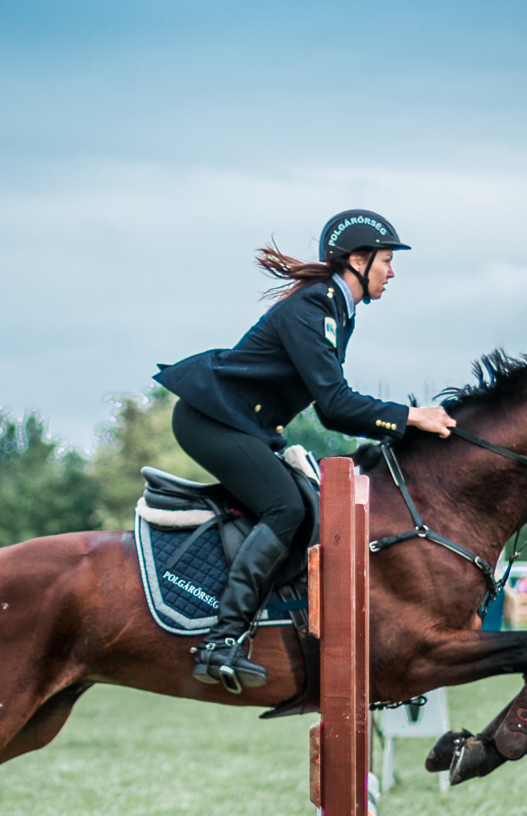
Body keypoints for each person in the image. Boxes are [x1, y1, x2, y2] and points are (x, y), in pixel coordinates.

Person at [155, 209, 456, 691]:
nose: (392, 271)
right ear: (358, 260)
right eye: (387, 259)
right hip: (210, 419)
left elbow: (331, 408)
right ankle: (222, 640)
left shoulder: (336, 309)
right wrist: (410, 416)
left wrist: (401, 425)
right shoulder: (314, 307)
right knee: (286, 507)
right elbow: (335, 404)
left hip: (240, 423)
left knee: (297, 500)